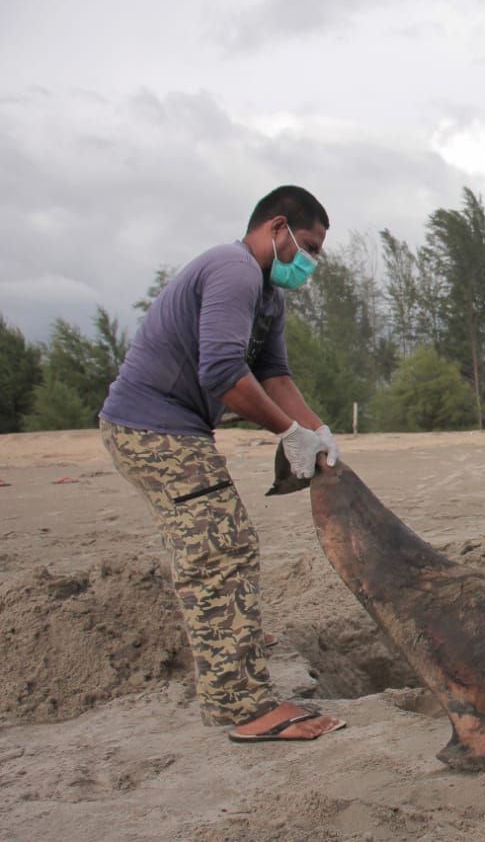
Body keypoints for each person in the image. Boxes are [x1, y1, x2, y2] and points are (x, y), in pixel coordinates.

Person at [100, 185, 346, 743]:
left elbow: (276, 376)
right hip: (153, 428)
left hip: (169, 428)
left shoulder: (268, 296)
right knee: (220, 550)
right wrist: (288, 434)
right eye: (306, 245)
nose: (310, 261)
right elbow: (221, 374)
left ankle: (227, 653)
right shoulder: (233, 270)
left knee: (212, 546)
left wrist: (316, 432)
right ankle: (244, 707)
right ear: (277, 227)